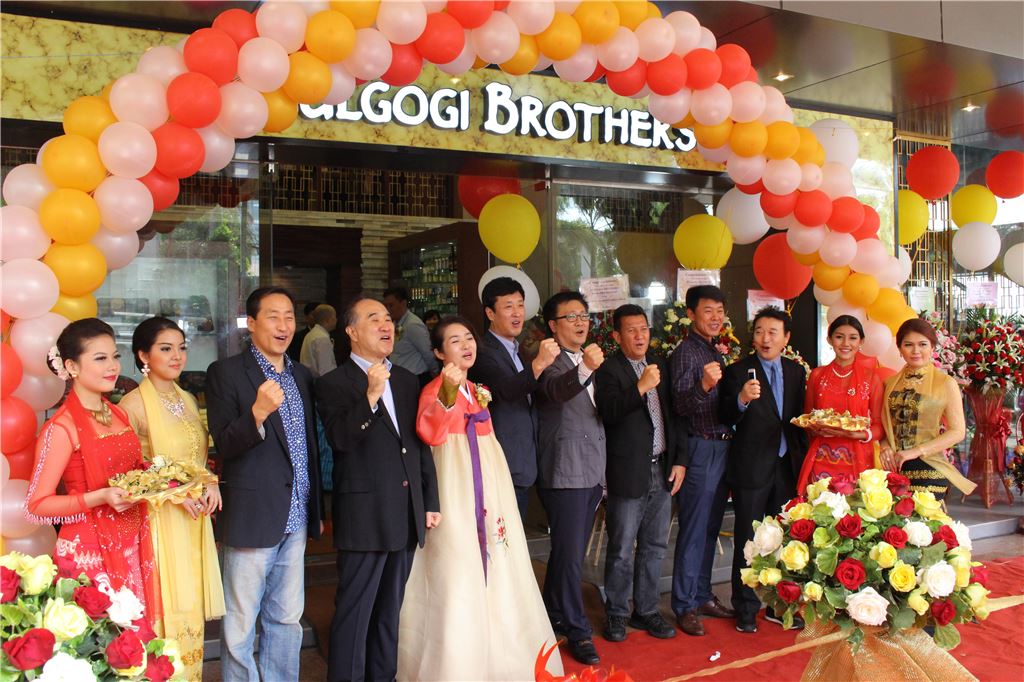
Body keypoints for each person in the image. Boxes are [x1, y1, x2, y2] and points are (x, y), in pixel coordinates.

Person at [398, 316, 563, 681]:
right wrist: (447, 392)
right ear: (439, 353)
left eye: (469, 338)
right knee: (457, 565)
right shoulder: (435, 388)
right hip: (454, 485)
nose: (466, 345)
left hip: (489, 483)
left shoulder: (476, 389)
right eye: (455, 341)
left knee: (498, 557)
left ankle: (500, 652)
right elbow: (431, 433)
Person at [316, 297, 440, 682]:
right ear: (351, 332)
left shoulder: (405, 379)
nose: (386, 326)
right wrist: (370, 397)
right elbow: (341, 439)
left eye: (388, 319)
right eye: (374, 319)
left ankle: (383, 676)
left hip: (405, 511)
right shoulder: (333, 383)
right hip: (365, 515)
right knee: (355, 612)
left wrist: (428, 500)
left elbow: (417, 445)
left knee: (390, 612)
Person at [205, 287, 323, 682]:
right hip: (253, 516)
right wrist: (256, 413)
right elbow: (225, 444)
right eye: (273, 316)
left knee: (287, 618)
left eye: (289, 316)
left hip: (297, 514)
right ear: (252, 323)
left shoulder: (301, 375)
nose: (283, 325)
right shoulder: (226, 373)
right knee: (240, 622)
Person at [25, 318, 161, 628]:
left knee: (136, 645)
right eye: (100, 358)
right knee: (101, 645)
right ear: (71, 366)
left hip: (131, 544)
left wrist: (157, 479)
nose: (113, 366)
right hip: (88, 554)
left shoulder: (118, 413)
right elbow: (36, 505)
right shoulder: (61, 428)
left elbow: (131, 472)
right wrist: (99, 497)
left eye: (115, 356)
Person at [119, 317, 225, 680]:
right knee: (166, 600)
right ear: (143, 355)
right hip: (159, 520)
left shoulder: (188, 399)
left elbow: (196, 459)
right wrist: (173, 494)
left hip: (193, 518)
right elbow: (127, 473)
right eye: (166, 349)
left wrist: (210, 482)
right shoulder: (133, 405)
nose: (177, 356)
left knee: (190, 601)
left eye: (181, 348)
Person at [595, 304, 685, 643]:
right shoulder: (608, 369)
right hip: (627, 471)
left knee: (655, 545)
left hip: (662, 468)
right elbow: (609, 412)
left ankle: (646, 610)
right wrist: (640, 386)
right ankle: (617, 612)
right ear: (617, 336)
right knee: (621, 548)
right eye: (631, 330)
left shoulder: (659, 364)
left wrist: (679, 461)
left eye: (644, 329)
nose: (639, 336)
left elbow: (674, 417)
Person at [719, 307, 809, 633]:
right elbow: (724, 415)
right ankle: (745, 606)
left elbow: (797, 418)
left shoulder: (796, 372)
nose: (765, 338)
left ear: (786, 338)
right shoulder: (737, 371)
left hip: (786, 466)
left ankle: (779, 605)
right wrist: (742, 399)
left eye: (772, 332)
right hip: (752, 467)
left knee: (783, 539)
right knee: (748, 539)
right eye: (759, 331)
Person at [535, 291, 606, 665]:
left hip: (593, 468)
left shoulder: (590, 357)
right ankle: (578, 631)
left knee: (568, 552)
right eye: (571, 317)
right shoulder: (548, 359)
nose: (580, 322)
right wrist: (585, 370)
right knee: (570, 556)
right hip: (565, 468)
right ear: (552, 325)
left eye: (584, 315)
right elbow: (554, 391)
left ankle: (552, 614)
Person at [668, 284, 736, 636]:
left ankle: (703, 594)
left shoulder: (713, 350)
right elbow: (680, 406)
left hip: (721, 447)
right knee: (694, 528)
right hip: (700, 448)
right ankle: (684, 605)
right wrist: (705, 386)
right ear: (691, 314)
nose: (715, 317)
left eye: (720, 311)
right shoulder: (685, 353)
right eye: (708, 310)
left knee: (710, 528)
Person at [468, 277, 560, 522]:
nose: (517, 313)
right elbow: (504, 391)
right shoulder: (482, 352)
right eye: (508, 306)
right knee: (502, 539)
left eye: (520, 305)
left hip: (524, 462)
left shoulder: (517, 350)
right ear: (490, 313)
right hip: (501, 464)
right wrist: (539, 364)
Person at [880, 318, 975, 500]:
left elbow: (958, 432)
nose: (916, 351)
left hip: (929, 467)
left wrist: (915, 451)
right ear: (899, 349)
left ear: (932, 347)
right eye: (908, 345)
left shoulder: (946, 383)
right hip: (893, 468)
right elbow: (885, 427)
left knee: (921, 518)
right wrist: (885, 448)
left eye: (922, 344)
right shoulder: (890, 384)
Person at [795, 315, 884, 491]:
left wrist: (858, 435)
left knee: (855, 506)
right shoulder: (817, 375)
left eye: (853, 338)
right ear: (829, 339)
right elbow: (807, 418)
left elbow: (879, 426)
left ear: (861, 341)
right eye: (839, 337)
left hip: (858, 458)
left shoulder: (871, 378)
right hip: (821, 457)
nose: (845, 343)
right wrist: (813, 427)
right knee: (820, 505)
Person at [383, 287, 436, 384]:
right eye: (386, 306)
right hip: (400, 377)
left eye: (391, 305)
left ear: (403, 303)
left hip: (416, 377)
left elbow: (427, 353)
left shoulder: (413, 325)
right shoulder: (394, 323)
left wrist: (435, 373)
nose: (388, 310)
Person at [301, 304, 338, 378]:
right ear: (328, 320)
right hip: (321, 381)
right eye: (335, 317)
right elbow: (326, 370)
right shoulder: (321, 338)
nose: (336, 320)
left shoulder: (311, 334)